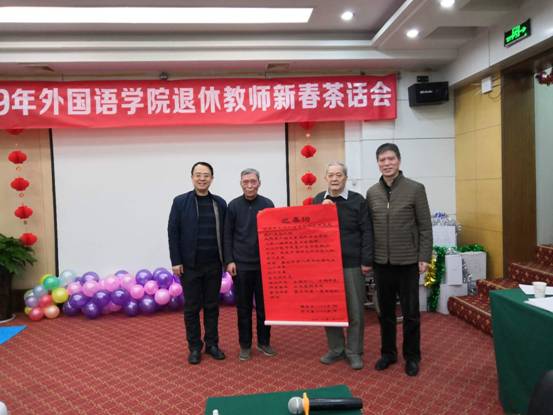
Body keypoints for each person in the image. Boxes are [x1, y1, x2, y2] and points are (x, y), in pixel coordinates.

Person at [366, 143, 432, 377]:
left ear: (399, 161)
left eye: (390, 159)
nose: (387, 163)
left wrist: (424, 256)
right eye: (382, 160)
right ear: (378, 163)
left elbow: (425, 226)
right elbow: (369, 229)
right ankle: (388, 353)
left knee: (411, 313)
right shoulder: (372, 192)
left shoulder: (415, 189)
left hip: (408, 262)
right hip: (381, 263)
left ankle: (412, 356)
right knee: (385, 313)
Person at [313, 161, 373, 370]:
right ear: (326, 178)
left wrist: (366, 260)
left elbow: (367, 231)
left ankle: (354, 351)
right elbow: (310, 230)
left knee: (355, 310)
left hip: (352, 263)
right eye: (331, 175)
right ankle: (336, 348)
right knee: (330, 309)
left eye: (339, 175)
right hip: (326, 265)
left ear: (345, 178)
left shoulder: (357, 200)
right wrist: (320, 211)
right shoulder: (318, 199)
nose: (335, 178)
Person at [168, 161, 227, 365]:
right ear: (192, 177)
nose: (202, 179)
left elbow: (226, 234)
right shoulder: (180, 202)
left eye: (206, 175)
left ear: (212, 178)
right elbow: (173, 232)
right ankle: (194, 347)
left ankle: (212, 344)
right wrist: (176, 260)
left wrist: (226, 260)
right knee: (192, 308)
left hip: (213, 264)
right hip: (190, 266)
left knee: (212, 306)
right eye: (198, 175)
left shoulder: (219, 203)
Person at [224, 168, 276, 361]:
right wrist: (229, 260)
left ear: (259, 183)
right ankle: (245, 345)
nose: (249, 185)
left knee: (264, 308)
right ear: (241, 184)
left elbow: (275, 233)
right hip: (241, 266)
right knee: (243, 308)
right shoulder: (233, 205)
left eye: (253, 181)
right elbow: (227, 235)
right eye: (245, 182)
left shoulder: (267, 204)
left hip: (264, 266)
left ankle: (264, 342)